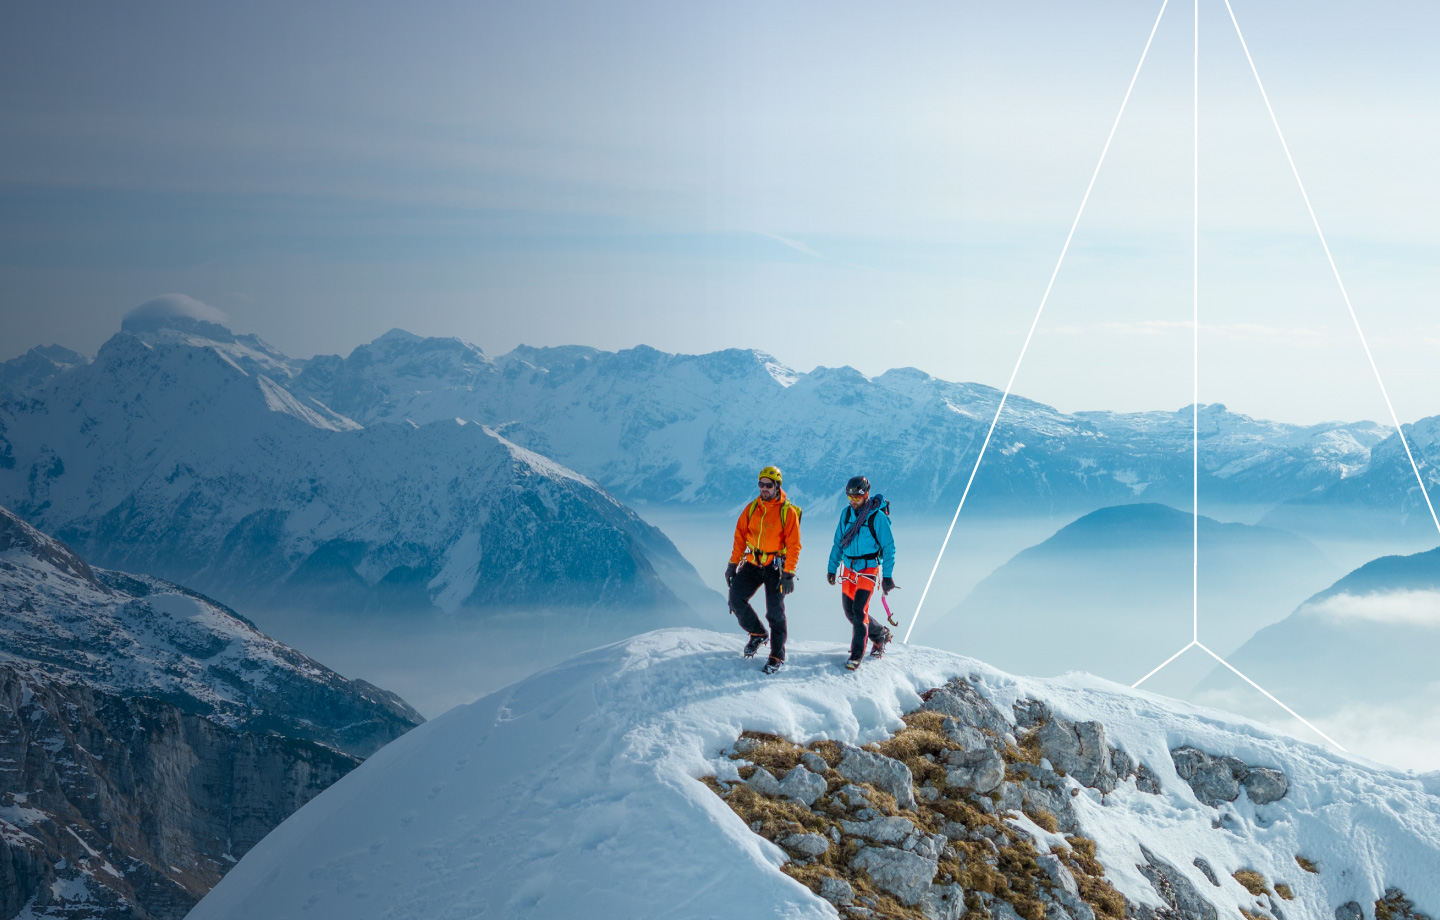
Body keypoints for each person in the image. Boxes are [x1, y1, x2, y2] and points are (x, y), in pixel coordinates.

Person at [725, 465, 802, 674]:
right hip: (753, 562)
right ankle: (758, 634)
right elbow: (740, 538)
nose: (764, 488)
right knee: (735, 598)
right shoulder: (751, 509)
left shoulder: (787, 512)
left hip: (775, 567)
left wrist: (788, 574)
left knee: (775, 613)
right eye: (761, 484)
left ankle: (777, 655)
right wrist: (732, 565)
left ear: (777, 486)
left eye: (768, 485)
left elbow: (794, 545)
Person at [826, 475, 897, 669]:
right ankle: (880, 634)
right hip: (849, 569)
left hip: (868, 569)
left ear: (866, 494)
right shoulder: (846, 514)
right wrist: (832, 568)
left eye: (856, 497)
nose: (853, 501)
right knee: (850, 612)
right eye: (850, 497)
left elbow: (889, 547)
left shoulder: (877, 518)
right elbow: (838, 542)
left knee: (859, 610)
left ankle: (856, 655)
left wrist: (888, 576)